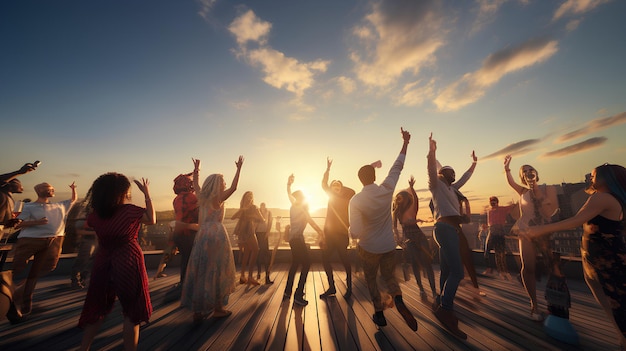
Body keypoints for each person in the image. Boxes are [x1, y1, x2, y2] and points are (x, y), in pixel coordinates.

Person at [521, 163, 626, 349]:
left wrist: (540, 229)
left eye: (593, 176)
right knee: (608, 300)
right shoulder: (609, 197)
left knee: (616, 302)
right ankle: (621, 337)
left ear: (606, 178)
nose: (590, 179)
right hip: (595, 258)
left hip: (606, 259)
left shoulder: (602, 197)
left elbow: (576, 220)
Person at [349, 128, 418, 332]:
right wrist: (405, 143)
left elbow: (355, 230)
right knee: (389, 276)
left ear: (360, 179)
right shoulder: (386, 189)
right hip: (388, 246)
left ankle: (379, 314)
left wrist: (356, 235)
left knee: (371, 279)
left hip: (369, 248)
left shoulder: (356, 200)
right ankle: (398, 299)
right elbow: (397, 166)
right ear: (374, 175)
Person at [77, 173, 155, 351]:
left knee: (96, 307)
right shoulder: (129, 211)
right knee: (132, 311)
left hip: (103, 260)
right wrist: (147, 194)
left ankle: (84, 348)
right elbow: (151, 219)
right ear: (121, 192)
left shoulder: (95, 216)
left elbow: (88, 227)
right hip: (128, 259)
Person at [427, 133, 478, 339]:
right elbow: (432, 169)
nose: (455, 174)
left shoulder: (451, 188)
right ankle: (446, 310)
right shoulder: (436, 186)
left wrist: (473, 164)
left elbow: (465, 177)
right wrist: (432, 151)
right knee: (458, 273)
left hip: (451, 230)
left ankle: (441, 301)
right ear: (443, 173)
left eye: (455, 172)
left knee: (448, 271)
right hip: (445, 230)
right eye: (451, 172)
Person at [181, 156, 242, 323]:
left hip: (203, 236)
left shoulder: (202, 197)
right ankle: (217, 308)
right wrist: (239, 169)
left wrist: (196, 169)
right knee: (217, 270)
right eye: (222, 182)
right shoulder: (219, 198)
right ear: (217, 185)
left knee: (202, 269)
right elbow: (234, 187)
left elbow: (195, 185)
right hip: (216, 236)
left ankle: (198, 311)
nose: (224, 184)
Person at [504, 155, 559, 321]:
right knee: (528, 267)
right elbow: (511, 182)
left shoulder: (547, 188)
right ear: (522, 177)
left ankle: (556, 306)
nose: (528, 173)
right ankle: (534, 305)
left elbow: (550, 211)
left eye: (530, 170)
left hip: (544, 231)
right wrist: (507, 168)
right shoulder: (522, 191)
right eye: (524, 171)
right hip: (526, 231)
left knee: (553, 268)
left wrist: (536, 190)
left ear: (536, 173)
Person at [13, 181, 77, 316]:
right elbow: (17, 225)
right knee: (16, 268)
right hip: (30, 240)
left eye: (52, 188)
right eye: (47, 188)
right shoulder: (29, 206)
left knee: (47, 267)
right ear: (39, 190)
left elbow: (73, 200)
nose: (51, 190)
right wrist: (37, 222)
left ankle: (22, 294)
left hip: (54, 240)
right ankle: (15, 296)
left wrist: (73, 189)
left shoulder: (59, 205)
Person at [0, 162, 38, 324]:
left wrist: (10, 223)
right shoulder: (1, 192)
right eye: (19, 183)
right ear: (9, 183)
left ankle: (11, 310)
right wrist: (20, 172)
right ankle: (11, 310)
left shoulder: (7, 198)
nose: (22, 187)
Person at [392, 176, 437, 301]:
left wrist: (412, 188)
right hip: (409, 240)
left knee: (427, 264)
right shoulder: (396, 213)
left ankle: (433, 291)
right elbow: (395, 227)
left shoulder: (411, 209)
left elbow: (416, 201)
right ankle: (422, 289)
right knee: (416, 265)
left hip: (418, 237)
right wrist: (398, 237)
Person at [283, 174, 324, 306]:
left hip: (292, 239)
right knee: (306, 264)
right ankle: (298, 294)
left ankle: (287, 292)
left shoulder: (294, 206)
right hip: (297, 239)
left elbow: (289, 194)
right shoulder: (302, 208)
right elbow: (311, 221)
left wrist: (289, 184)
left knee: (295, 264)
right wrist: (321, 232)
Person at [319, 157, 355, 300]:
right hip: (329, 234)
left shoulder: (347, 198)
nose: (335, 187)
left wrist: (340, 186)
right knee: (325, 258)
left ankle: (350, 288)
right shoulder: (330, 196)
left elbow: (352, 190)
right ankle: (331, 286)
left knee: (344, 260)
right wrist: (328, 170)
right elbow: (323, 183)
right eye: (333, 185)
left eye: (338, 185)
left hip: (341, 234)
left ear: (342, 188)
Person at [171, 172, 199, 289]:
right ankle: (188, 284)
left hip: (178, 234)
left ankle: (184, 282)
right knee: (191, 259)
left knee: (185, 259)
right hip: (190, 233)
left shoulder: (176, 199)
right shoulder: (193, 198)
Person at [231, 191, 264, 286]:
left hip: (242, 232)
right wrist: (245, 212)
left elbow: (260, 220)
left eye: (250, 197)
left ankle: (242, 276)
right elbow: (262, 220)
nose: (249, 199)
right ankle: (250, 276)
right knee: (256, 250)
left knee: (246, 252)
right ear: (244, 199)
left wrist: (245, 211)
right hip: (248, 231)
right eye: (248, 197)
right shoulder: (252, 207)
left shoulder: (248, 208)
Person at [68, 196, 97, 289]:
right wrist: (95, 232)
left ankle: (84, 279)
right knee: (83, 260)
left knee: (92, 261)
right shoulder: (86, 216)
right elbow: (79, 231)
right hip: (89, 240)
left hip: (98, 241)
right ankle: (75, 280)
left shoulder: (99, 215)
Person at [483, 196, 515, 279]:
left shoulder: (502, 209)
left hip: (500, 232)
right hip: (492, 231)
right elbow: (490, 223)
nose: (492, 203)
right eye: (491, 202)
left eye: (494, 201)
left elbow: (513, 206)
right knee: (486, 251)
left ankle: (503, 271)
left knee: (500, 254)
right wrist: (485, 227)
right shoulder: (489, 211)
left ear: (497, 202)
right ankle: (489, 269)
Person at [255, 202, 274, 284]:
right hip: (257, 234)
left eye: (264, 205)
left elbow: (270, 222)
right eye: (261, 205)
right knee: (259, 253)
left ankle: (266, 276)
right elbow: (254, 223)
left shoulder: (269, 213)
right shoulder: (257, 212)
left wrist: (268, 232)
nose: (263, 207)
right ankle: (259, 272)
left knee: (265, 253)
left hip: (264, 234)